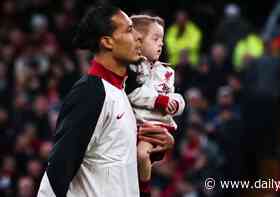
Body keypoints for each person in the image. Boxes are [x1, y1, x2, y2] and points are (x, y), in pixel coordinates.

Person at [37, 4, 175, 197]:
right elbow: (58, 169)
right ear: (107, 42)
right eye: (129, 30)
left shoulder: (121, 92)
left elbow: (113, 161)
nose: (138, 37)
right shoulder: (90, 93)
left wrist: (154, 148)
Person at [126, 15, 185, 197]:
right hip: (140, 125)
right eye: (155, 38)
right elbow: (133, 93)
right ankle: (143, 190)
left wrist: (177, 104)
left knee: (142, 155)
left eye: (162, 39)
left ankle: (144, 190)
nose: (161, 43)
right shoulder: (132, 68)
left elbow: (173, 96)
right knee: (141, 156)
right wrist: (158, 101)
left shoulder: (167, 71)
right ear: (138, 40)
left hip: (160, 126)